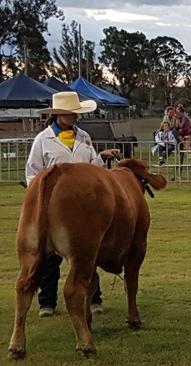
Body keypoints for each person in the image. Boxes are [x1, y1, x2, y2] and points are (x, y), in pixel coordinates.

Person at [25, 91, 119, 318]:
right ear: (58, 114)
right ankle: (47, 302)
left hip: (86, 209)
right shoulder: (42, 140)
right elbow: (33, 174)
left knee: (89, 256)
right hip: (54, 208)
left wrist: (102, 157)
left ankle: (94, 298)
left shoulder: (84, 137)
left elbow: (94, 167)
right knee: (49, 258)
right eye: (70, 113)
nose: (74, 117)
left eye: (76, 113)